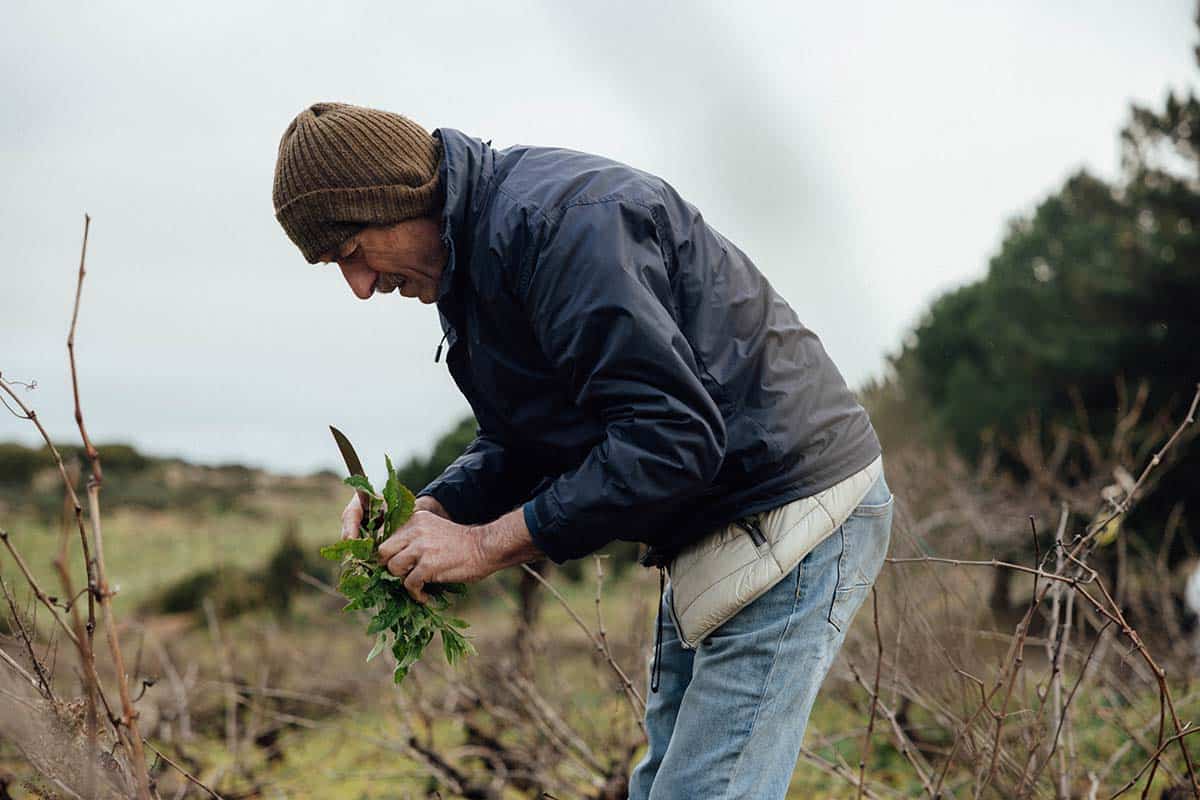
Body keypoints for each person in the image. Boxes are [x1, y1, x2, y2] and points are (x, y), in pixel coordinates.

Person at [272, 102, 894, 799]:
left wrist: (483, 547)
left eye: (353, 252)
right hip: (713, 522)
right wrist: (433, 509)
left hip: (789, 507)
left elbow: (670, 440)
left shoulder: (562, 230)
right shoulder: (473, 266)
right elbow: (521, 442)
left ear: (399, 200)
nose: (358, 287)